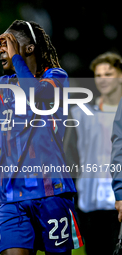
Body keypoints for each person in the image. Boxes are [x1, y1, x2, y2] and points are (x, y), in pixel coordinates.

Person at [0, 20, 83, 255]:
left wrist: (16, 57)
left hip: (52, 193)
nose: (2, 52)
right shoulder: (1, 86)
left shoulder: (56, 77)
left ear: (29, 48)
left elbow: (37, 96)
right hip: (10, 196)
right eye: (1, 48)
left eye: (8, 45)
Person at [64, 52, 122, 255]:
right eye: (98, 75)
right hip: (90, 201)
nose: (103, 79)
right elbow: (70, 155)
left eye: (109, 73)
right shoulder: (82, 114)